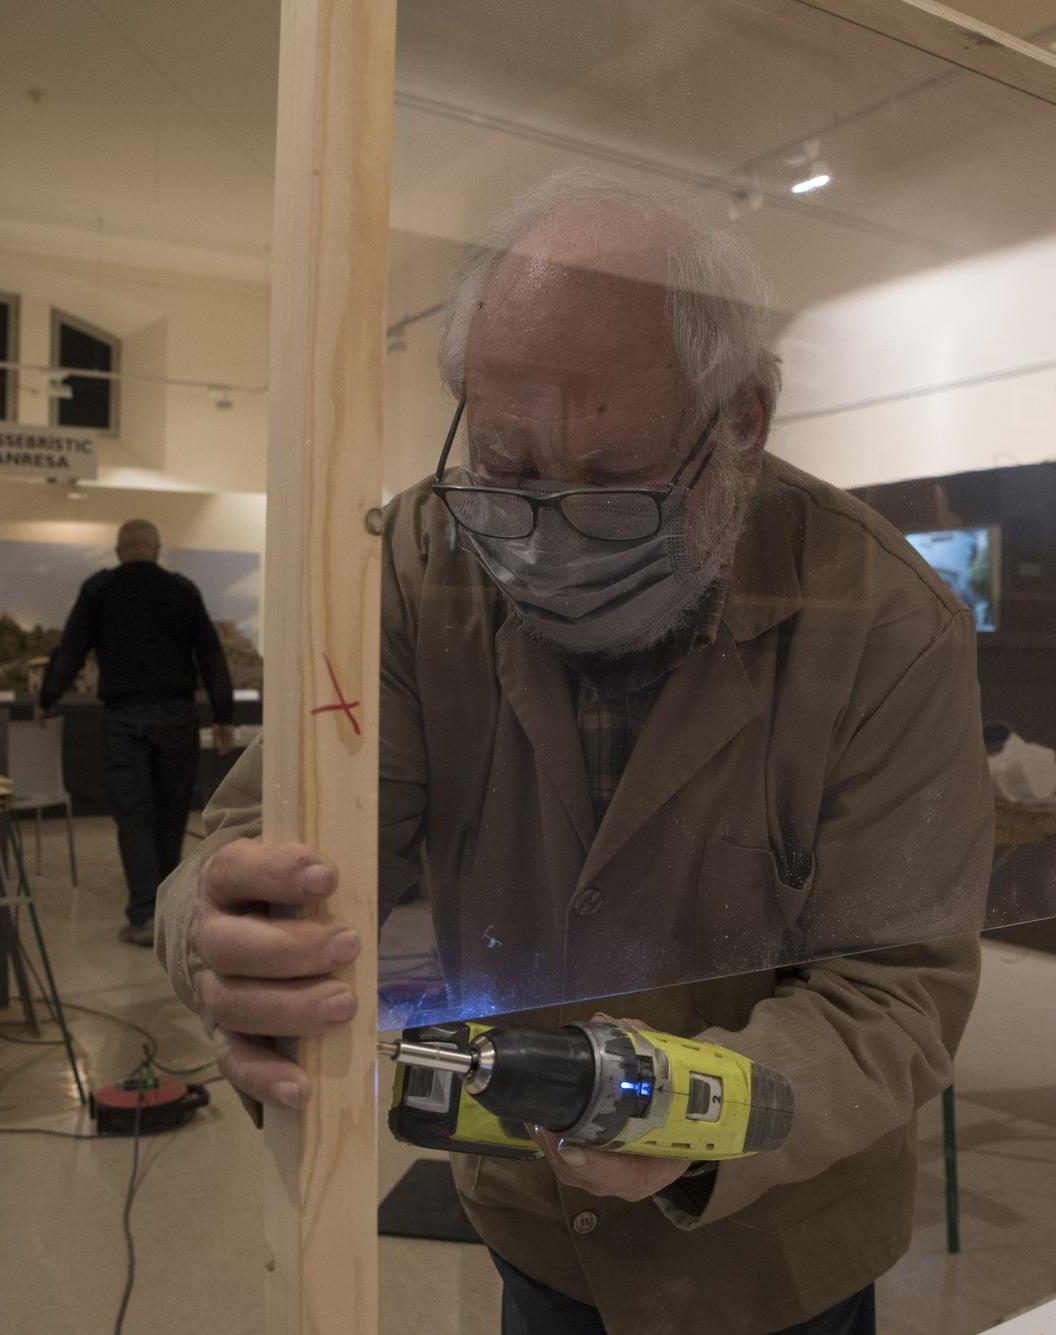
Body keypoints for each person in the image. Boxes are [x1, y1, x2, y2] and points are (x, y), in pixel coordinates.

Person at [155, 173, 992, 1334]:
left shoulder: (885, 623)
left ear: (741, 421)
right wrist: (215, 922)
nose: (544, 541)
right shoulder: (413, 563)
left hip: (773, 1246)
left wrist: (691, 1114)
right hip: (533, 1217)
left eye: (610, 486)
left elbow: (894, 996)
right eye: (505, 469)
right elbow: (258, 849)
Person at [40, 518, 235, 947]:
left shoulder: (98, 590)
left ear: (117, 552)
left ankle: (144, 914)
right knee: (171, 813)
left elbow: (70, 653)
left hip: (123, 717)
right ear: (158, 547)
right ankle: (172, 910)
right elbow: (211, 656)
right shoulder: (181, 590)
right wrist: (224, 716)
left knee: (133, 818)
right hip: (178, 717)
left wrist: (46, 700)